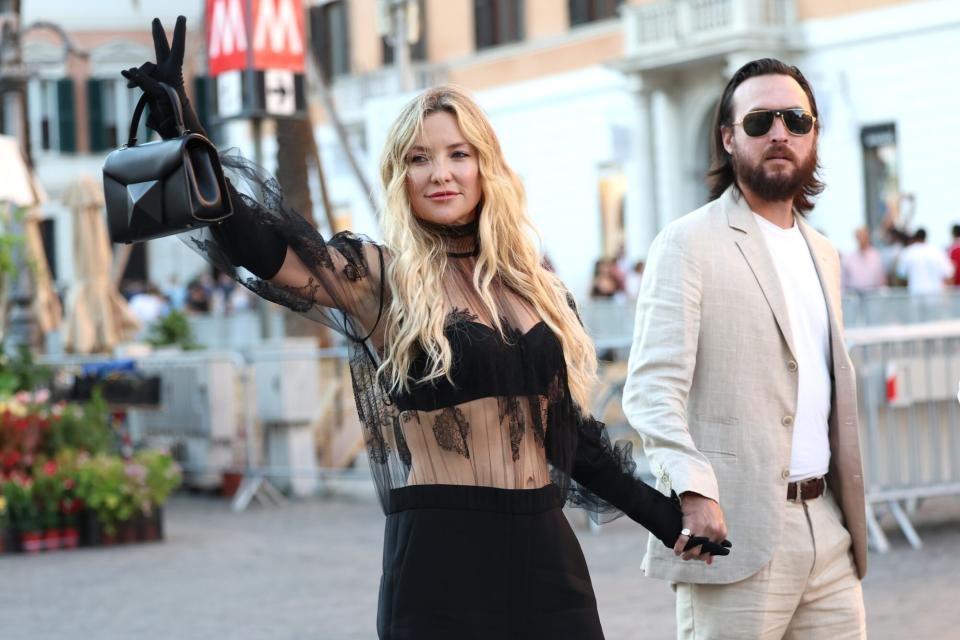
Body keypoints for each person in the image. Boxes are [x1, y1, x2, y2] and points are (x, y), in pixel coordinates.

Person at [122, 17, 729, 639]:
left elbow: (570, 438)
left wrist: (668, 518)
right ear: (400, 176)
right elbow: (264, 245)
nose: (441, 172)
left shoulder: (532, 284)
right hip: (441, 558)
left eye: (458, 154)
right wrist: (188, 133)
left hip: (549, 560)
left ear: (484, 167)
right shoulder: (380, 277)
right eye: (420, 158)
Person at [622, 58, 867, 639]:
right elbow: (652, 389)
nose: (779, 132)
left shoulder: (824, 252)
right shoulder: (687, 243)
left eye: (796, 119)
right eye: (759, 121)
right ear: (729, 138)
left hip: (828, 530)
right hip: (735, 533)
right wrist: (693, 488)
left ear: (813, 135)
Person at [895, 228, 954, 295]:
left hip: (915, 295)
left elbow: (900, 275)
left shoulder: (908, 252)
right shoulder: (937, 251)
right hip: (935, 296)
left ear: (915, 237)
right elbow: (949, 273)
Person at [841, 226, 886, 294]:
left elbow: (881, 280)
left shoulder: (876, 256)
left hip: (872, 295)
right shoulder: (848, 258)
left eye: (863, 236)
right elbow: (844, 281)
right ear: (856, 238)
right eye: (859, 236)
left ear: (867, 236)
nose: (862, 238)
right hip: (854, 295)